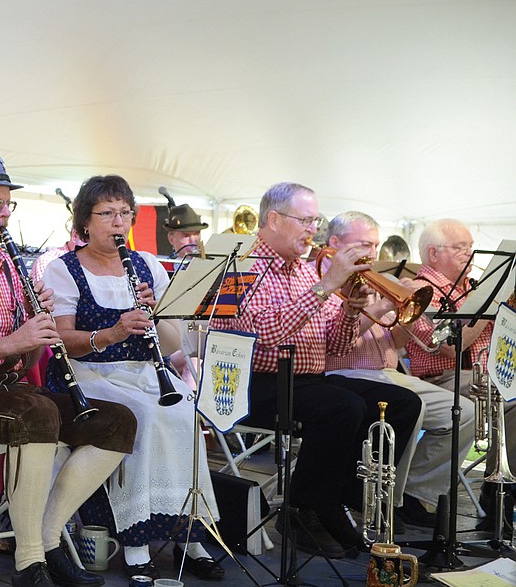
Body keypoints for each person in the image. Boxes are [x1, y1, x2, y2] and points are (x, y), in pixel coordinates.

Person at [0, 146, 138, 587]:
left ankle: (46, 539)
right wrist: (15, 342)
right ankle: (28, 564)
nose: (3, 215)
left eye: (8, 205)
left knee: (116, 422)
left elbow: (30, 342)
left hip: (10, 393)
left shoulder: (7, 259)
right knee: (39, 409)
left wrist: (38, 316)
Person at [210, 182, 422, 558]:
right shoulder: (243, 266)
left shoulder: (306, 272)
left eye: (315, 220)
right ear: (273, 219)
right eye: (305, 220)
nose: (312, 229)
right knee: (343, 407)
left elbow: (335, 347)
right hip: (254, 383)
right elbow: (266, 336)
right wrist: (326, 285)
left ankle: (339, 498)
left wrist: (351, 309)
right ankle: (306, 509)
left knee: (402, 403)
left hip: (307, 379)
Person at [43, 175, 224, 580]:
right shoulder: (64, 269)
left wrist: (161, 313)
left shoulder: (146, 266)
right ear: (85, 222)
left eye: (125, 213)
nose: (117, 222)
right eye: (107, 213)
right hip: (89, 375)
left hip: (143, 372)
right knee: (144, 416)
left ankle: (190, 536)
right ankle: (135, 540)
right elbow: (64, 342)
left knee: (184, 415)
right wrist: (113, 332)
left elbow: (172, 341)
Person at [322, 211, 473, 529]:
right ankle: (386, 500)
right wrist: (383, 305)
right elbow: (333, 342)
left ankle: (414, 494)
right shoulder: (325, 282)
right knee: (410, 406)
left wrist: (408, 313)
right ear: (335, 243)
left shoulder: (371, 279)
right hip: (345, 374)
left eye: (375, 244)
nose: (372, 253)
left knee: (464, 413)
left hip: (387, 372)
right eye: (364, 243)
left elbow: (395, 339)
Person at [405, 218, 515, 532]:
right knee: (506, 398)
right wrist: (490, 305)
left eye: (470, 246)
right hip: (443, 377)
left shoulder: (473, 288)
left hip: (479, 374)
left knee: (512, 395)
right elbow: (451, 348)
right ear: (433, 253)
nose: (469, 254)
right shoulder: (420, 290)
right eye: (460, 248)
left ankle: (501, 490)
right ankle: (421, 494)